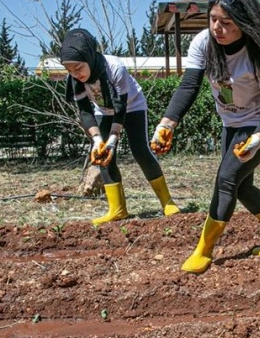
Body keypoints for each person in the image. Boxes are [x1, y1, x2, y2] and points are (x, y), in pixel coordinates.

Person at [151, 0, 260, 274]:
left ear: (244, 24)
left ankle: (204, 250)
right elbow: (189, 86)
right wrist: (166, 123)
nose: (217, 27)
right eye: (213, 19)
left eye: (227, 23)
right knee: (240, 184)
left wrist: (258, 137)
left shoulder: (259, 54)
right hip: (232, 123)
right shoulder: (204, 43)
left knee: (227, 179)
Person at [59, 28, 180, 227]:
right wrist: (98, 140)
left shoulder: (114, 67)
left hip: (132, 107)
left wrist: (113, 140)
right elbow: (85, 112)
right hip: (103, 111)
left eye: (78, 67)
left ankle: (167, 202)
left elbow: (120, 107)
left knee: (140, 151)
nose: (75, 73)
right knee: (103, 157)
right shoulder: (74, 79)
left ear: (89, 57)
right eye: (70, 70)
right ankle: (118, 210)